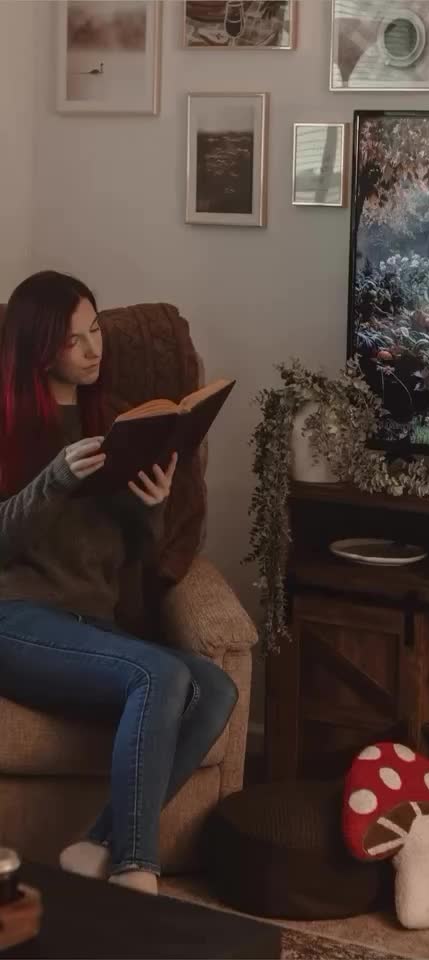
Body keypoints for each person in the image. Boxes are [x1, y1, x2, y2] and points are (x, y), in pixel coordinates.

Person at [0, 272, 238, 896]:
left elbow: (136, 554)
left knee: (213, 687)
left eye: (96, 329)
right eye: (74, 339)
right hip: (16, 618)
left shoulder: (112, 422)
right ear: (39, 348)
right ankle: (136, 869)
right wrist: (50, 480)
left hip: (89, 625)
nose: (93, 349)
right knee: (158, 674)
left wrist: (153, 506)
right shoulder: (11, 425)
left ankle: (95, 845)